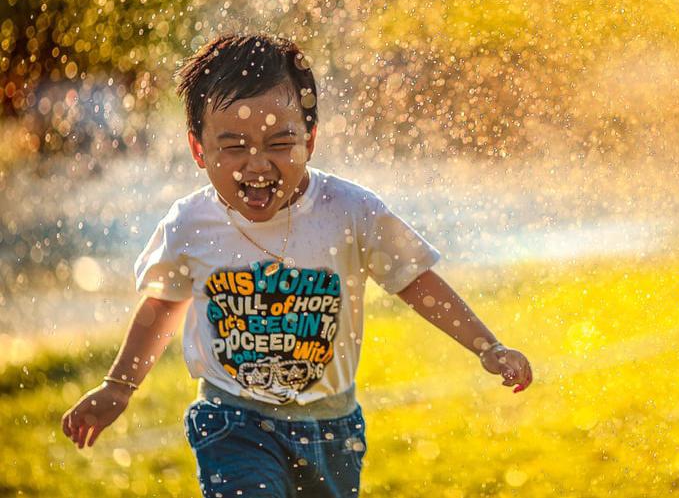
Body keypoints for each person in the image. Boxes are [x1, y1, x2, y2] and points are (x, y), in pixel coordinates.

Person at [60, 33, 533, 497]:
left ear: (310, 139)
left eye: (279, 143)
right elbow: (163, 305)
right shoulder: (191, 223)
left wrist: (487, 346)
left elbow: (415, 281)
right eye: (234, 146)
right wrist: (119, 385)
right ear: (199, 150)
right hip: (233, 420)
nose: (258, 164)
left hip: (331, 427)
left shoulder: (349, 211)